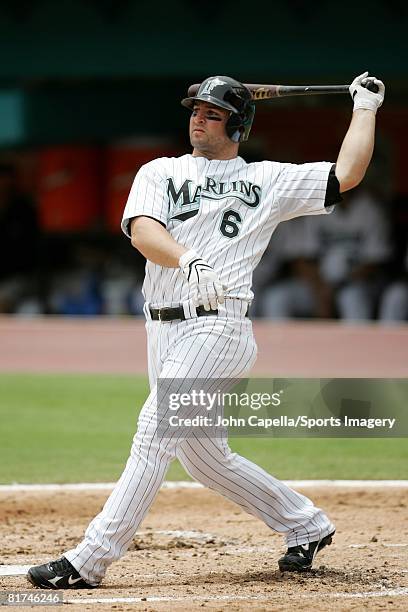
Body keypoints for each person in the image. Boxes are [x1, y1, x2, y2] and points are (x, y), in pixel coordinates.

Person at [27, 71, 385, 589]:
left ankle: (90, 559)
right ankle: (305, 524)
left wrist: (366, 108)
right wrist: (187, 257)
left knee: (154, 431)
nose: (198, 118)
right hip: (165, 329)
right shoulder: (160, 170)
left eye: (212, 113)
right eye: (196, 109)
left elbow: (346, 173)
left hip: (218, 330)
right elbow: (144, 231)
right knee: (204, 458)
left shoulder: (267, 178)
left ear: (237, 125)